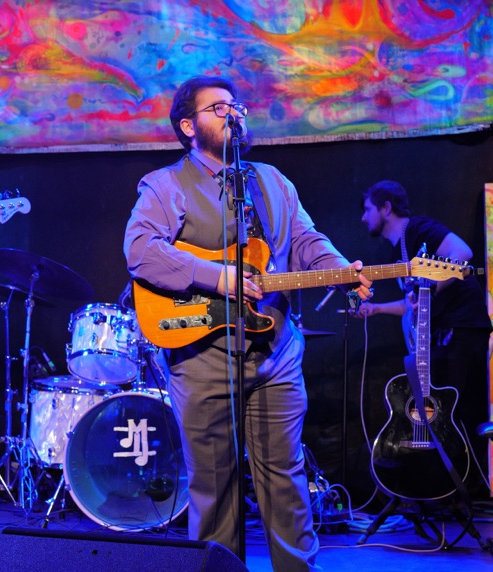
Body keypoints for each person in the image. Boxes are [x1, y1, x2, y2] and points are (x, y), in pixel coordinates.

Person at [124, 75, 373, 571]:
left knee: (286, 480)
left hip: (276, 354)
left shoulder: (272, 181)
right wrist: (218, 277)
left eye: (235, 105)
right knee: (215, 488)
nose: (233, 112)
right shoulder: (165, 185)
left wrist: (341, 270)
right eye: (218, 108)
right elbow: (140, 250)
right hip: (202, 356)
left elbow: (305, 241)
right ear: (188, 126)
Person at [358, 180, 493, 496]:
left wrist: (432, 287)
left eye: (367, 209)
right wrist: (376, 309)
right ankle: (443, 491)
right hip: (445, 331)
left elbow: (462, 253)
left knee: (453, 410)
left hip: (463, 326)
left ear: (386, 208)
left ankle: (462, 491)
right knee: (442, 410)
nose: (363, 218)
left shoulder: (420, 229)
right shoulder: (399, 250)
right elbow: (414, 302)